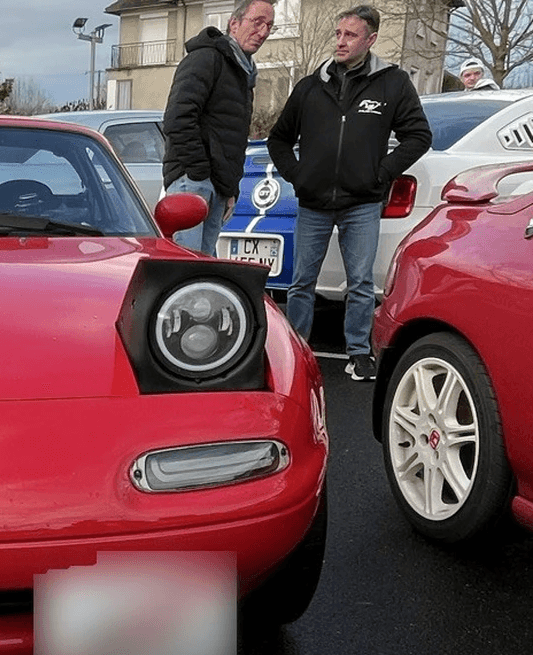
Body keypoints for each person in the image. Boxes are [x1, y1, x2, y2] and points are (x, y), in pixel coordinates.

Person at [267, 5, 431, 381]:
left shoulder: (393, 84)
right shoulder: (311, 85)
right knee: (301, 282)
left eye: (350, 35)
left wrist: (382, 174)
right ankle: (296, 350)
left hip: (362, 203)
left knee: (360, 283)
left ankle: (359, 353)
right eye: (338, 33)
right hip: (313, 202)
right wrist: (297, 175)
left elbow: (419, 136)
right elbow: (279, 139)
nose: (340, 41)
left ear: (370, 40)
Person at [161, 0, 276, 256]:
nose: (263, 32)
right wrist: (198, 172)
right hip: (193, 182)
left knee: (205, 269)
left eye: (269, 26)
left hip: (217, 186)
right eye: (257, 22)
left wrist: (229, 188)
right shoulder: (206, 58)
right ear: (234, 23)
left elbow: (231, 137)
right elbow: (177, 118)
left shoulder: (243, 72)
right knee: (186, 268)